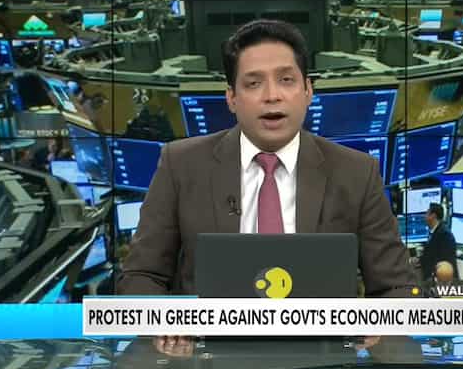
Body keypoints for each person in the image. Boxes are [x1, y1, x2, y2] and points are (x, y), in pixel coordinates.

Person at [117, 19, 414, 297]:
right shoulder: (180, 165)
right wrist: (173, 323)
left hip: (325, 338)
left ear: (308, 90)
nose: (272, 95)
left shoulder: (357, 173)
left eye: (286, 80)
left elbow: (396, 287)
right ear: (231, 98)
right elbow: (141, 274)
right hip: (208, 337)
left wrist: (374, 326)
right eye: (253, 83)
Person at [420, 203, 458, 281]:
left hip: (442, 278)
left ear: (433, 216)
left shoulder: (444, 235)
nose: (424, 216)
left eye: (427, 213)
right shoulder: (435, 231)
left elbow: (444, 262)